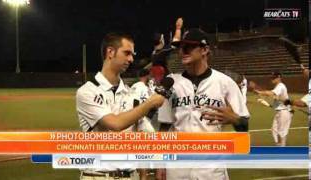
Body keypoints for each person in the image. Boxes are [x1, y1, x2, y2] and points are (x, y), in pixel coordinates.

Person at [156, 28, 250, 180]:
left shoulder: (225, 83)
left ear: (205, 50)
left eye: (189, 46)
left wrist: (234, 119)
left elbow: (244, 126)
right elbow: (165, 127)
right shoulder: (172, 83)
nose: (183, 51)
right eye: (181, 47)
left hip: (211, 169)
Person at [76, 32, 165, 180]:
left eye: (132, 54)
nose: (131, 59)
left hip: (131, 176)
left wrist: (143, 175)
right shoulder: (87, 91)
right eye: (127, 53)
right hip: (98, 176)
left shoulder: (132, 94)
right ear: (110, 52)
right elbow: (115, 124)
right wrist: (150, 103)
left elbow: (141, 138)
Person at [254, 72, 292, 146]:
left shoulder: (281, 86)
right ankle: (279, 146)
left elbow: (271, 93)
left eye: (274, 77)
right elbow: (275, 100)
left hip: (284, 112)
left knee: (282, 132)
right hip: (280, 112)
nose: (272, 79)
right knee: (274, 130)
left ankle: (282, 148)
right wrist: (265, 101)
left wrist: (260, 92)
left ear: (279, 78)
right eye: (272, 77)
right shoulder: (277, 87)